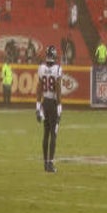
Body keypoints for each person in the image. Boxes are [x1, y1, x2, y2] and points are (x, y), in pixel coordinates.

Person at [36, 45, 63, 173]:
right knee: (54, 133)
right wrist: (59, 106)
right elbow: (58, 88)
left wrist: (37, 107)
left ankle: (45, 163)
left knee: (46, 133)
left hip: (44, 103)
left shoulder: (41, 68)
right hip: (52, 103)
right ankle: (51, 163)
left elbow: (39, 88)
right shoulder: (57, 69)